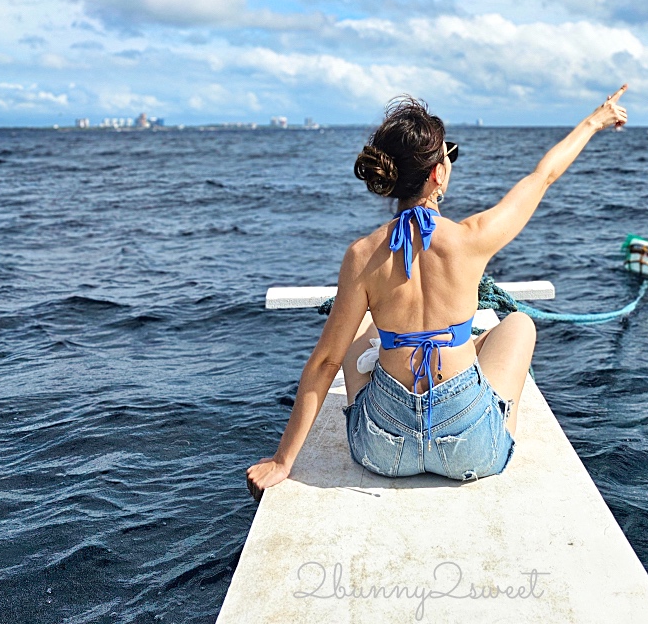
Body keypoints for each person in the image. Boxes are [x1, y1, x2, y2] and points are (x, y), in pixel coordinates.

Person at [246, 85, 628, 499]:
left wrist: (282, 461)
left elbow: (325, 363)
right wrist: (595, 120)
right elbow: (543, 175)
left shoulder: (361, 256)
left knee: (359, 336)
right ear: (437, 174)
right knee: (518, 324)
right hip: (471, 449)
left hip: (382, 450)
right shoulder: (473, 238)